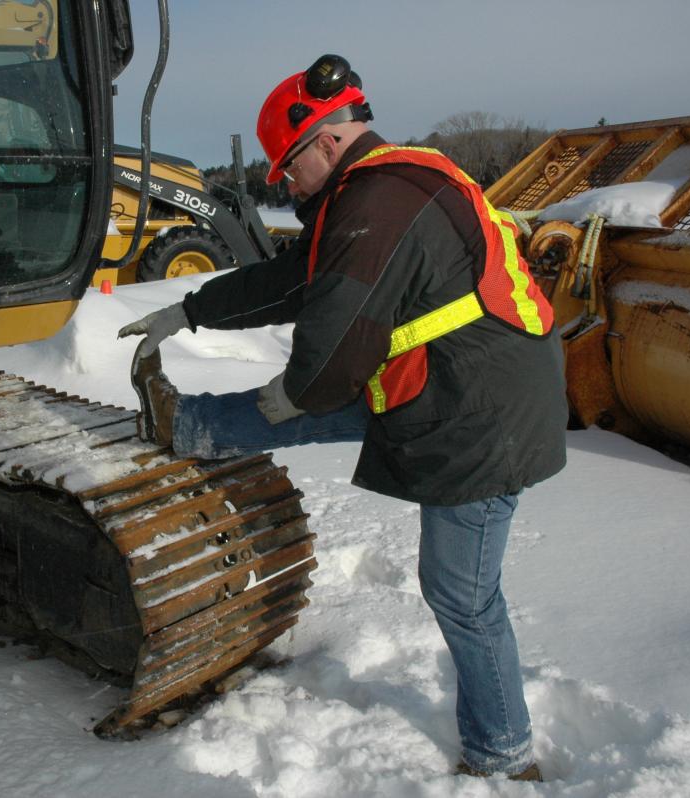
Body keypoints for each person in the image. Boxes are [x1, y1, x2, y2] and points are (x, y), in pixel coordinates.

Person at [118, 55, 567, 781]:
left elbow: (331, 347)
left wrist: (303, 391)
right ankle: (189, 425)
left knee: (463, 593)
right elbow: (296, 281)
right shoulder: (382, 187)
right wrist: (191, 309)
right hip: (453, 387)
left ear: (326, 141)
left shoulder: (375, 201)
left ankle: (504, 755)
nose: (285, 183)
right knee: (307, 401)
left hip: (479, 414)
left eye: (288, 167)